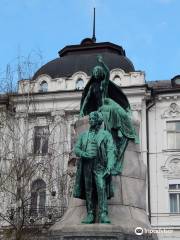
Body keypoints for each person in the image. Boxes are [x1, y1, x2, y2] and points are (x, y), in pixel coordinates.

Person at [79, 56, 139, 174]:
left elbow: (107, 73)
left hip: (107, 104)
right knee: (106, 115)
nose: (96, 73)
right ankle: (115, 133)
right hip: (100, 109)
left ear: (100, 73)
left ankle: (123, 131)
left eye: (98, 71)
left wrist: (102, 63)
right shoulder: (92, 87)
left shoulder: (103, 84)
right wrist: (82, 110)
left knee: (119, 113)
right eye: (94, 72)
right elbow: (86, 100)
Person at [73, 111, 116, 224]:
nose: (90, 120)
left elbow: (111, 150)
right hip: (87, 165)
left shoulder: (105, 134)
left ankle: (103, 214)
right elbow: (76, 149)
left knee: (101, 188)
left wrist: (109, 166)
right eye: (90, 118)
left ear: (98, 121)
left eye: (92, 119)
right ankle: (90, 214)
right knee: (88, 190)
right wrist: (84, 154)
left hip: (100, 165)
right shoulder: (84, 135)